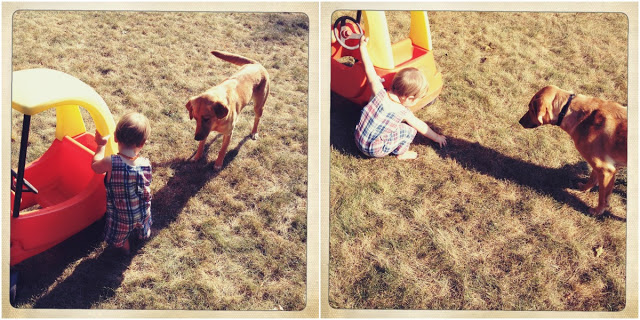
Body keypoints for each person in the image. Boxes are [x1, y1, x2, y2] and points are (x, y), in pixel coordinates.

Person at [354, 36, 446, 160]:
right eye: (418, 98)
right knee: (409, 130)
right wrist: (437, 137)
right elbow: (421, 126)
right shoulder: (403, 112)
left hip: (358, 138)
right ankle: (402, 153)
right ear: (409, 98)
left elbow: (369, 69)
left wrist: (362, 47)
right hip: (374, 150)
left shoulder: (378, 91)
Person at [91, 112, 152, 255]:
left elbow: (95, 166)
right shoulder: (145, 163)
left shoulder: (111, 162)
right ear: (142, 144)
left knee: (119, 234)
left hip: (121, 214)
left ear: (116, 137)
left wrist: (101, 145)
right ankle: (144, 233)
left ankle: (124, 247)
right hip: (142, 210)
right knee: (142, 223)